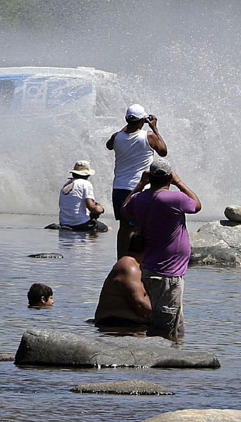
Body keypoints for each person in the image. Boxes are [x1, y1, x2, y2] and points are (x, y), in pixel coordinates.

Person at [122, 158, 200, 339]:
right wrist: (179, 182)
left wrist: (140, 184)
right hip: (169, 273)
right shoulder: (175, 198)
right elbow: (196, 205)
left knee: (174, 322)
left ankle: (176, 355)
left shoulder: (139, 198)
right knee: (164, 324)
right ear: (169, 178)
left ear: (150, 177)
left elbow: (124, 210)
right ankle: (160, 362)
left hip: (150, 269)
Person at [107, 104, 168, 258]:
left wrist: (127, 127)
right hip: (139, 188)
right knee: (139, 227)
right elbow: (163, 151)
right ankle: (136, 262)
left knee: (124, 227)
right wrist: (154, 128)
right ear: (143, 121)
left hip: (119, 188)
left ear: (126, 120)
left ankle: (121, 260)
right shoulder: (149, 136)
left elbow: (109, 145)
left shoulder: (116, 137)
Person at [93, 232, 152, 326]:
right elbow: (140, 306)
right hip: (117, 325)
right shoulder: (129, 267)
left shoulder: (137, 266)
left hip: (128, 325)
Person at [58, 160, 108, 233]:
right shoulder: (85, 184)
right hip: (79, 224)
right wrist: (101, 209)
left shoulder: (67, 184)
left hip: (64, 222)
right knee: (107, 229)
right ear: (87, 175)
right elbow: (91, 207)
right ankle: (90, 242)